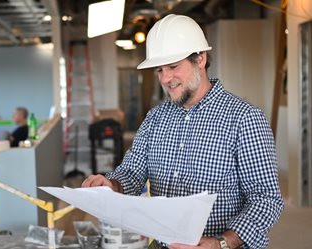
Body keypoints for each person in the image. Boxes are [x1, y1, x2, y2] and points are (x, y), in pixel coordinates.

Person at [82, 14, 284, 249]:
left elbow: (266, 199)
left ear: (200, 58)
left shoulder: (244, 119)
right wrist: (111, 185)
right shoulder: (155, 118)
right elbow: (132, 172)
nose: (165, 78)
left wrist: (221, 242)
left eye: (173, 66)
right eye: (159, 69)